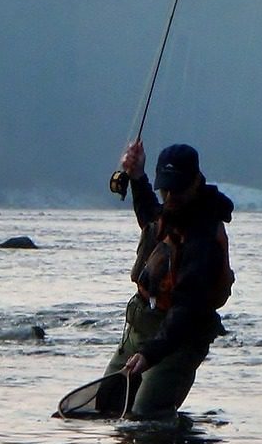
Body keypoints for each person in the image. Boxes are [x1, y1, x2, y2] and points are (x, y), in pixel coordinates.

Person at [101, 139, 235, 417]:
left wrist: (150, 355)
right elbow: (151, 217)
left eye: (179, 189)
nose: (171, 196)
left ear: (196, 182)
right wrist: (137, 177)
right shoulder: (169, 211)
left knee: (146, 412)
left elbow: (186, 309)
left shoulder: (203, 238)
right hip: (144, 325)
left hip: (182, 336)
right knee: (107, 405)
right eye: (166, 189)